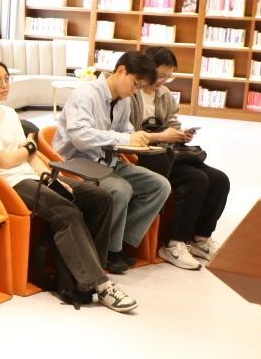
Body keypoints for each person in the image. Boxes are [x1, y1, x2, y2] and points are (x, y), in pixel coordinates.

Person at [0, 61, 136, 312]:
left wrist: (54, 179)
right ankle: (101, 285)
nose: (4, 85)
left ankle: (85, 276)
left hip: (29, 175)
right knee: (66, 212)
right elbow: (4, 161)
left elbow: (31, 155)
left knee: (99, 197)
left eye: (7, 79)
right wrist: (29, 147)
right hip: (7, 183)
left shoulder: (8, 112)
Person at [53, 51, 172, 273]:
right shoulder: (86, 94)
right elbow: (80, 135)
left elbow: (125, 130)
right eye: (135, 84)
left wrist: (138, 140)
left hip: (108, 162)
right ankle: (108, 250)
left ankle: (119, 242)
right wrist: (126, 139)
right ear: (121, 70)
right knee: (120, 188)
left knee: (159, 186)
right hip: (77, 162)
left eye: (140, 87)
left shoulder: (123, 101)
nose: (135, 91)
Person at [131, 47, 229, 268]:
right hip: (144, 155)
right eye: (161, 75)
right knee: (196, 179)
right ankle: (174, 243)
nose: (164, 81)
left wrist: (180, 135)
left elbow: (172, 123)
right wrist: (161, 136)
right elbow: (127, 132)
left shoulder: (164, 94)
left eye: (169, 76)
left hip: (167, 152)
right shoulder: (132, 92)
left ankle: (201, 239)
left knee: (220, 179)